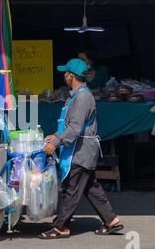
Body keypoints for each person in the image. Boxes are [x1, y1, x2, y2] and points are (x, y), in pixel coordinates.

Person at [40, 58, 123, 239]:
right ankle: (111, 220)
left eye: (66, 73)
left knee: (72, 188)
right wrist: (55, 135)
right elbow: (70, 125)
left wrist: (54, 144)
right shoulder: (76, 95)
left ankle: (61, 227)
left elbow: (75, 129)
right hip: (79, 149)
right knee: (90, 187)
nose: (63, 75)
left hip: (80, 151)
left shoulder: (83, 97)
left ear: (71, 76)